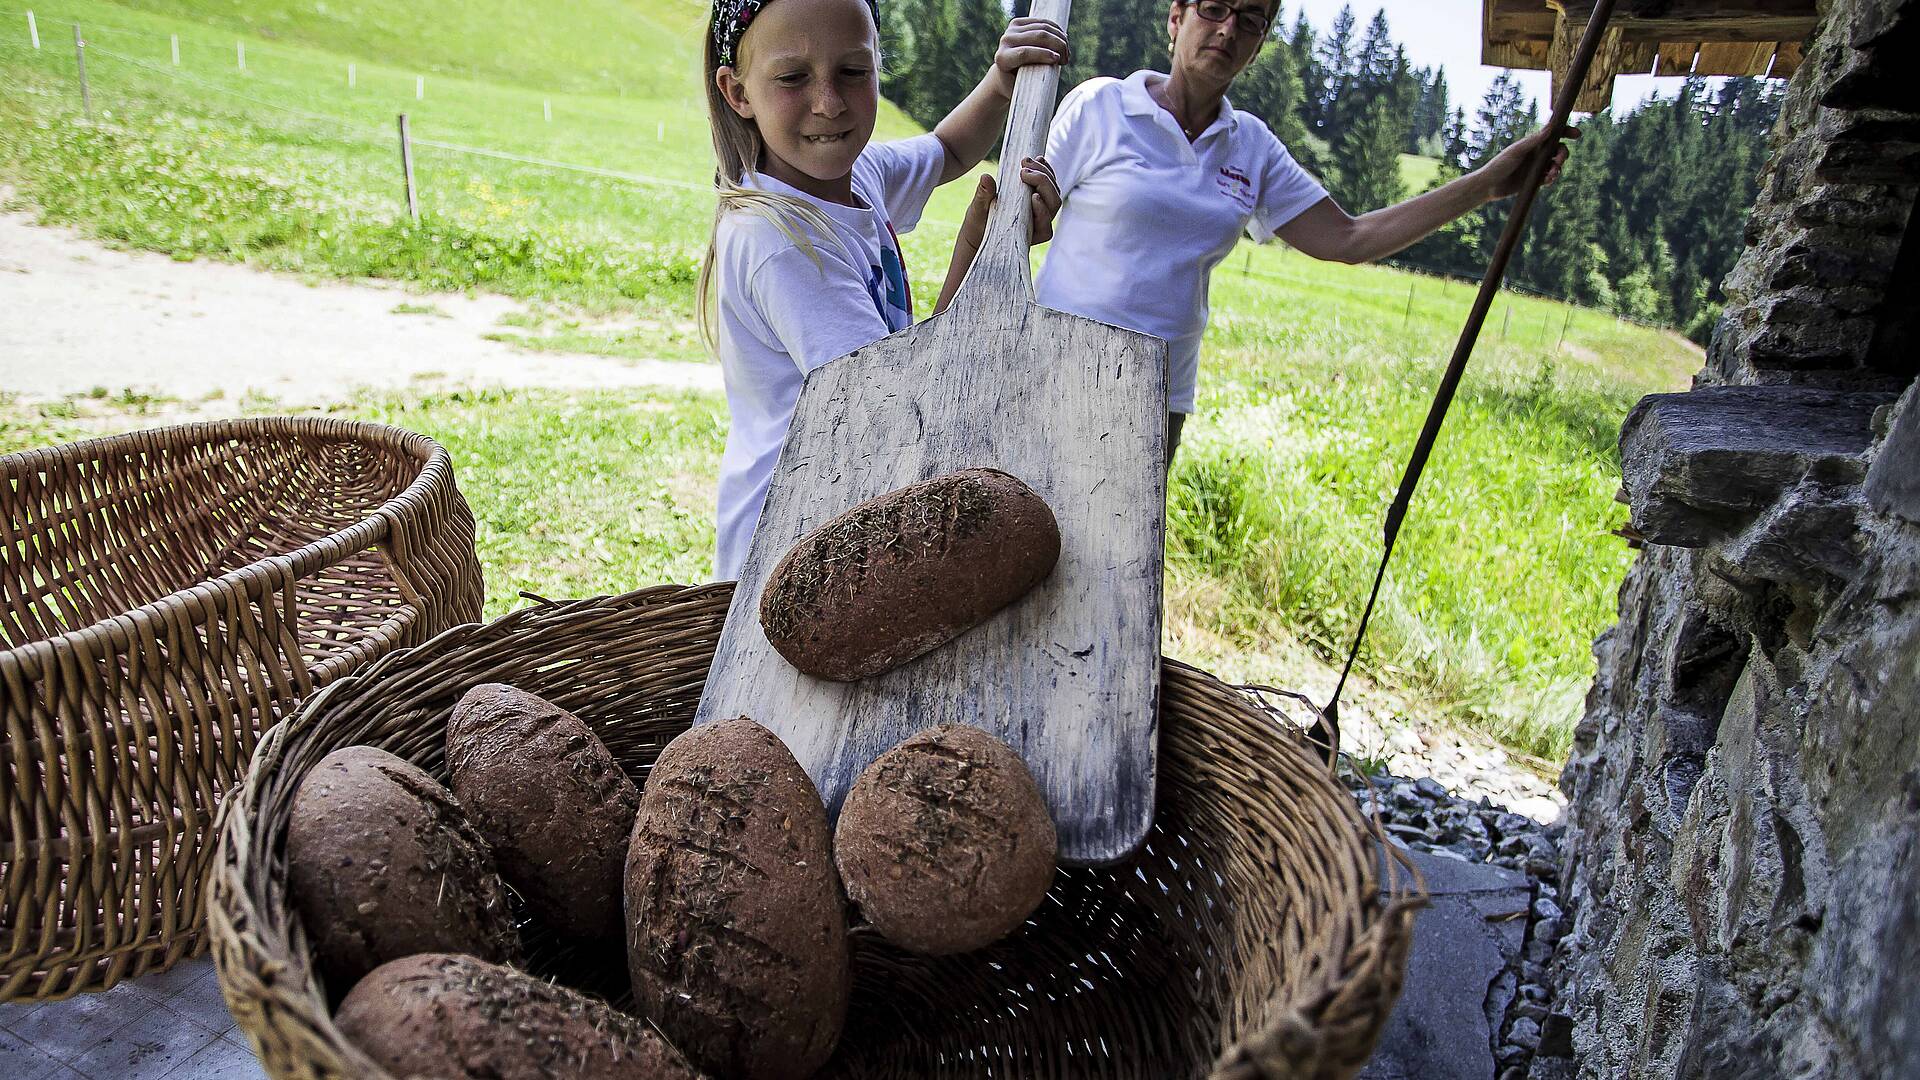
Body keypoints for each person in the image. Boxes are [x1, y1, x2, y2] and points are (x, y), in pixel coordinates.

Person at [1037, 0, 1576, 463]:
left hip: (1156, 396)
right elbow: (1021, 221)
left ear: (1258, 44)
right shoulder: (1101, 105)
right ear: (1176, 18)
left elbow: (1348, 238)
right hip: (1054, 366)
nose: (1228, 28)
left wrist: (1484, 185)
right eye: (1214, 9)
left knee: (1114, 569)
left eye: (1250, 20)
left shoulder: (1252, 147)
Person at [700, 0, 1066, 580]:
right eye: (794, 77)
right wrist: (984, 251)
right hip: (789, 560)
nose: (830, 102)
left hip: (853, 516)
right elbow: (902, 416)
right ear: (737, 92)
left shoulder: (853, 176)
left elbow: (948, 151)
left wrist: (1001, 82)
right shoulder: (781, 245)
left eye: (854, 72)